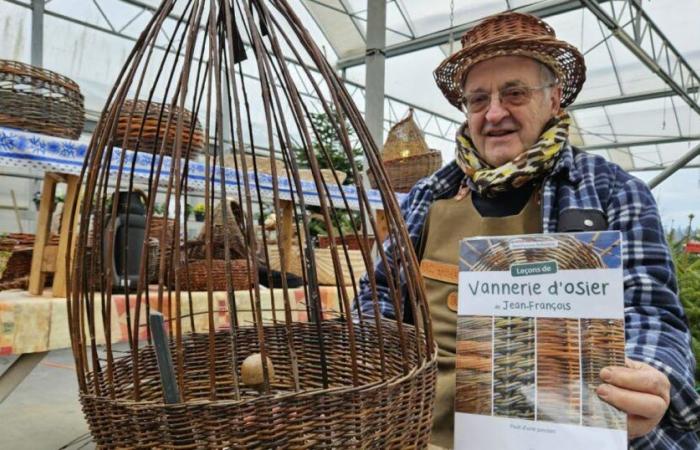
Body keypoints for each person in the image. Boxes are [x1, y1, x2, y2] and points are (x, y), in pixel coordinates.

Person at [356, 11, 700, 449]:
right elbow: (380, 290)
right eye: (478, 99)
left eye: (514, 93)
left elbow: (651, 313)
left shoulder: (611, 192)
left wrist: (649, 374)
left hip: (564, 434)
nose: (494, 112)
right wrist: (373, 350)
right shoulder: (429, 195)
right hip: (424, 435)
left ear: (555, 99)